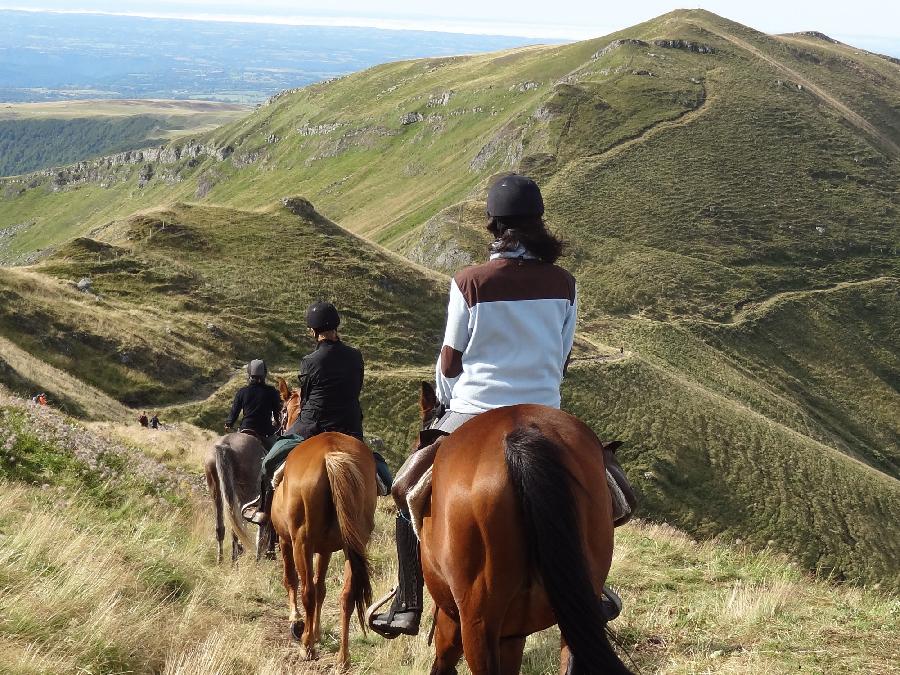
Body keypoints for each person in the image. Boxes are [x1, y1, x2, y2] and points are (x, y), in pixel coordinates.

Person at [369, 173, 577, 637]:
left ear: (494, 226)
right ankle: (592, 588)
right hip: (546, 411)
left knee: (405, 491)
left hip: (474, 409)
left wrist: (443, 404)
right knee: (604, 487)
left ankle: (407, 601)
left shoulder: (468, 282)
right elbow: (563, 356)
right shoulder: (565, 283)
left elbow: (449, 361)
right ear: (539, 224)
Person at [244, 302, 366, 526]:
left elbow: (307, 399)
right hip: (350, 426)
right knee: (377, 466)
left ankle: (263, 509)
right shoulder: (356, 356)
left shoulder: (310, 361)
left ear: (313, 330)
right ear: (336, 327)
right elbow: (355, 390)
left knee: (269, 462)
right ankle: (381, 484)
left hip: (313, 425)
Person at [225, 359, 282, 441]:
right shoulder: (272, 392)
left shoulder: (242, 392)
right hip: (265, 432)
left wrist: (229, 423)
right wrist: (277, 421)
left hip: (245, 429)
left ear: (249, 374)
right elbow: (277, 411)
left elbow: (234, 412)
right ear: (264, 374)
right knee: (278, 451)